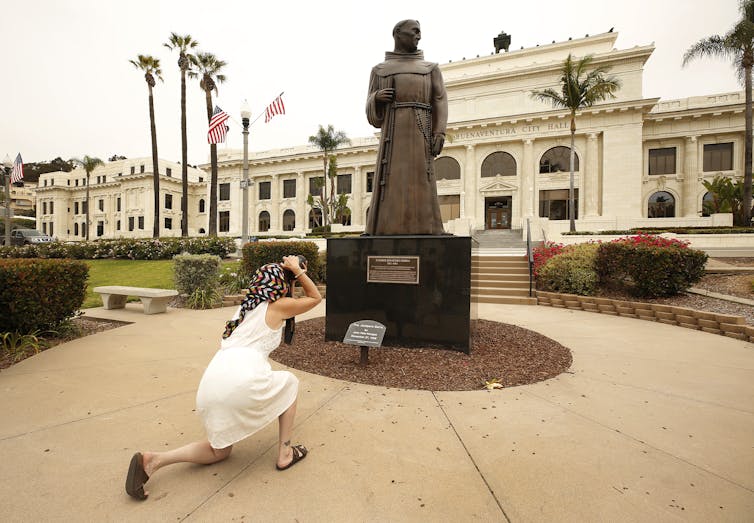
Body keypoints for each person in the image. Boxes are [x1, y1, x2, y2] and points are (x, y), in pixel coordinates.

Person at [125, 255, 322, 500]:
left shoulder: (244, 309)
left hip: (211, 384)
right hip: (241, 381)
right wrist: (297, 271)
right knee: (289, 383)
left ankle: (153, 460)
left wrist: (289, 276)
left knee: (220, 451)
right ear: (281, 285)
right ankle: (285, 453)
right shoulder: (277, 307)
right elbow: (315, 298)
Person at [364, 19, 448, 236]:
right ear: (398, 34)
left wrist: (439, 131)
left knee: (422, 180)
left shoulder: (430, 69)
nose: (419, 36)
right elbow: (370, 108)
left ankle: (428, 228)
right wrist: (376, 98)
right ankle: (386, 228)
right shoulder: (379, 70)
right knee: (391, 180)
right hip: (393, 132)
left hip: (421, 130)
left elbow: (439, 99)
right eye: (415, 32)